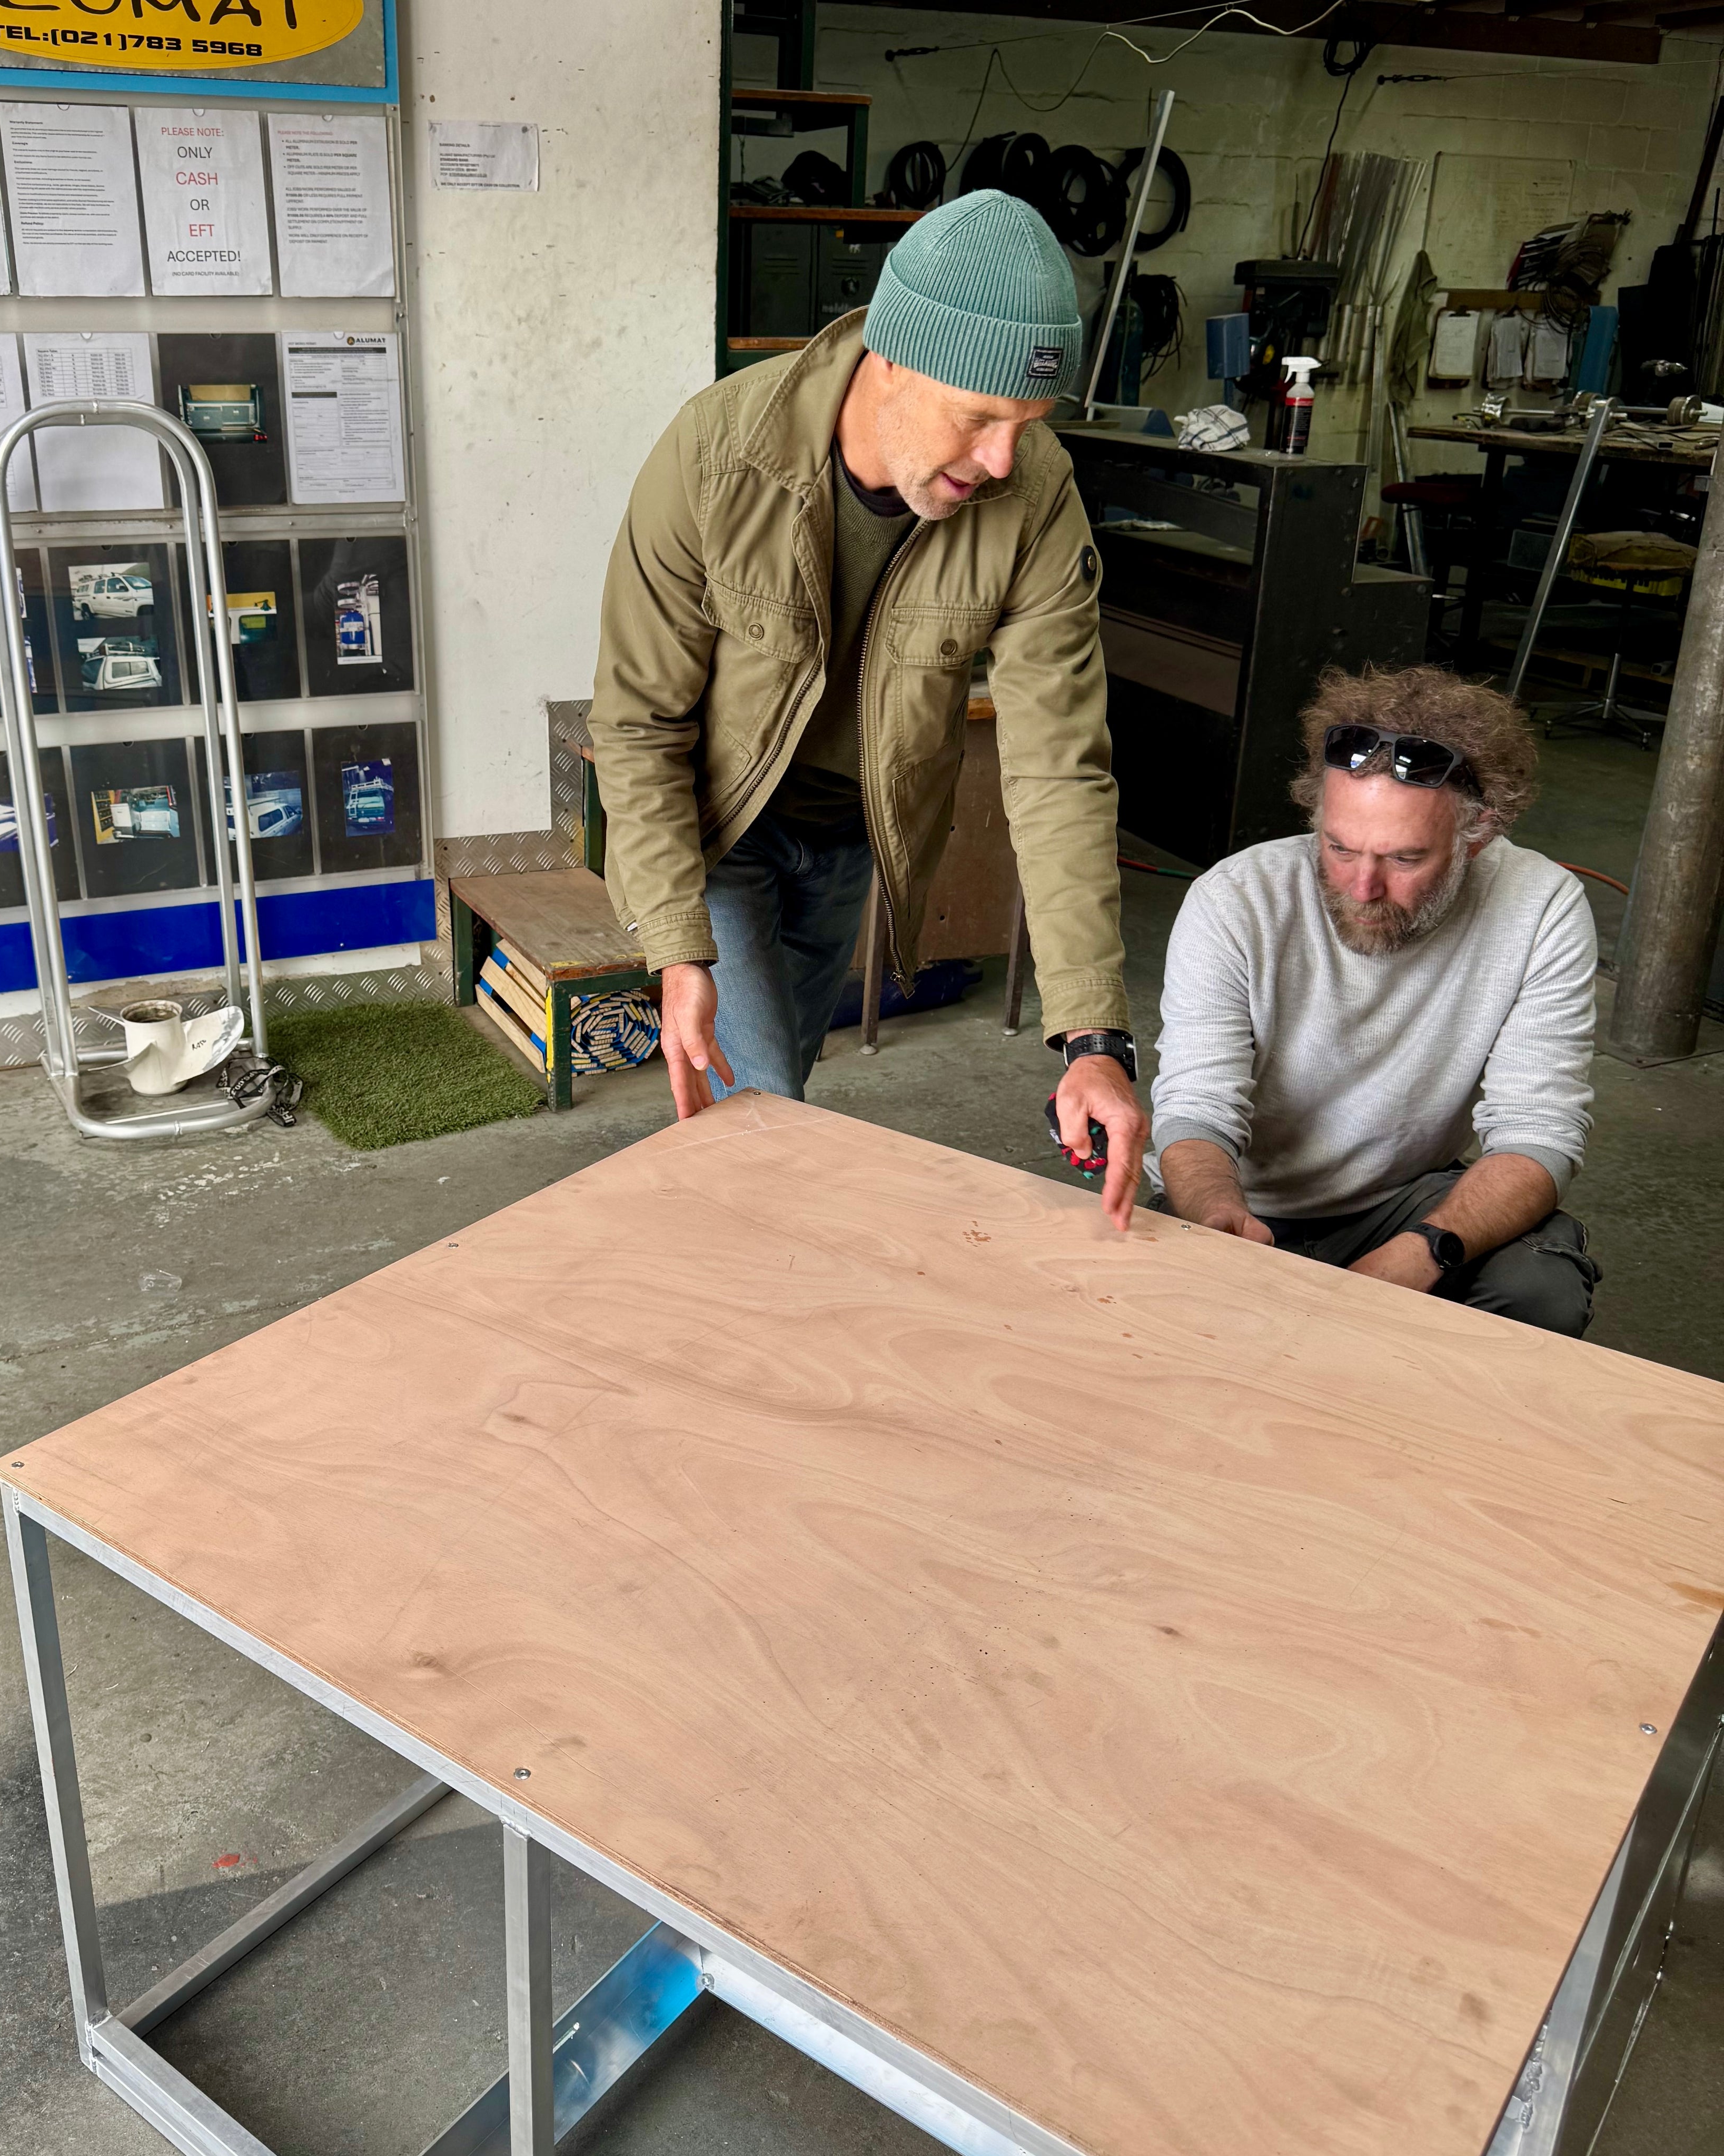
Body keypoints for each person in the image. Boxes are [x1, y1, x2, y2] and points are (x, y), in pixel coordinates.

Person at [588, 189, 1148, 1225]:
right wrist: (675, 940)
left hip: (852, 845)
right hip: (727, 832)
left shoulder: (1035, 494)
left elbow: (1060, 763)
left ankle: (716, 1283)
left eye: (1026, 426)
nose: (998, 462)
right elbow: (635, 720)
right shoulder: (719, 455)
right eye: (978, 416)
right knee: (764, 1119)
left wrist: (1093, 1038)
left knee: (769, 1102)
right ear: (887, 359)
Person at [1148, 664, 1601, 1333]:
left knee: (1542, 1292)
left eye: (1405, 859)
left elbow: (1538, 1133)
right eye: (1339, 846)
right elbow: (1195, 1105)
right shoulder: (1234, 898)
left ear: (1478, 835)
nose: (1362, 887)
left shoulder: (1542, 908)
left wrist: (1421, 1255)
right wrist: (1217, 1214)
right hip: (1250, 1198)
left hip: (1403, 1203)